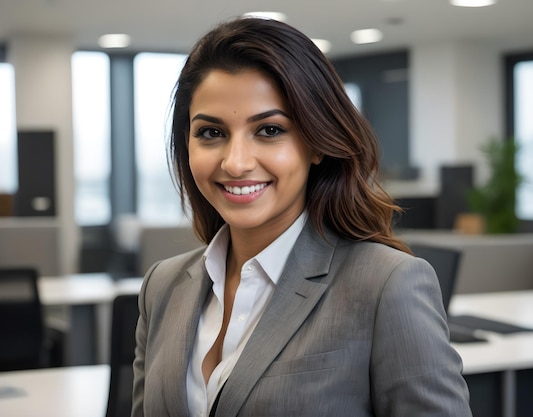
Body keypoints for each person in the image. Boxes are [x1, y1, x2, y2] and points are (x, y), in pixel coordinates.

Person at [131, 16, 472, 417]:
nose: (236, 163)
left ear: (317, 143)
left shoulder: (386, 284)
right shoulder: (163, 286)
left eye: (270, 131)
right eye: (211, 133)